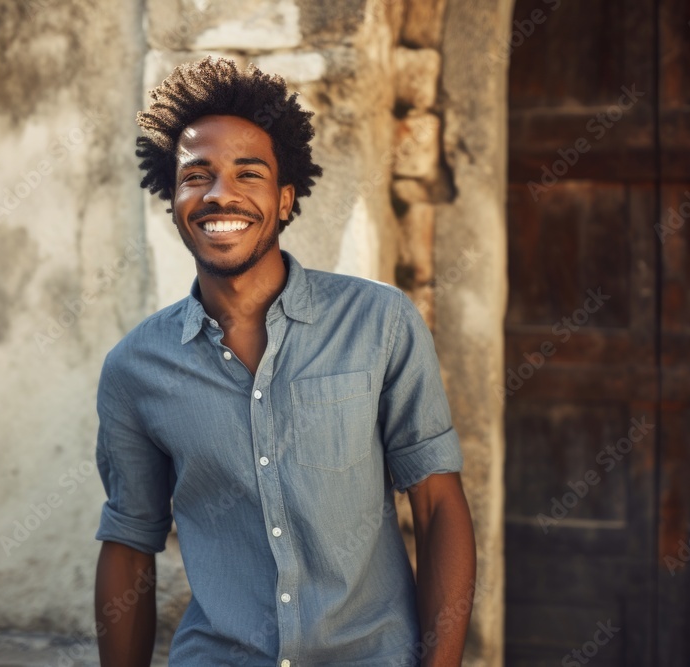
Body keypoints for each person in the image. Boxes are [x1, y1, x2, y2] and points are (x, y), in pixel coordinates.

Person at [94, 56, 476, 667]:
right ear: (172, 199)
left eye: (250, 173)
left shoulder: (378, 324)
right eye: (197, 175)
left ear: (285, 198)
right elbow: (129, 542)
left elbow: (437, 506)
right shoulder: (135, 368)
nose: (221, 193)